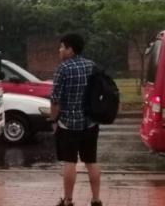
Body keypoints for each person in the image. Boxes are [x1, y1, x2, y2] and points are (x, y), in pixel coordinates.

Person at [49, 33, 102, 206]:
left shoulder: (63, 69)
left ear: (70, 50)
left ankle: (68, 200)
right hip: (90, 123)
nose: (60, 50)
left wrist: (53, 120)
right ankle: (96, 199)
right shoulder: (92, 66)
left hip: (68, 124)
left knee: (70, 162)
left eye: (62, 46)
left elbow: (55, 100)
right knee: (91, 161)